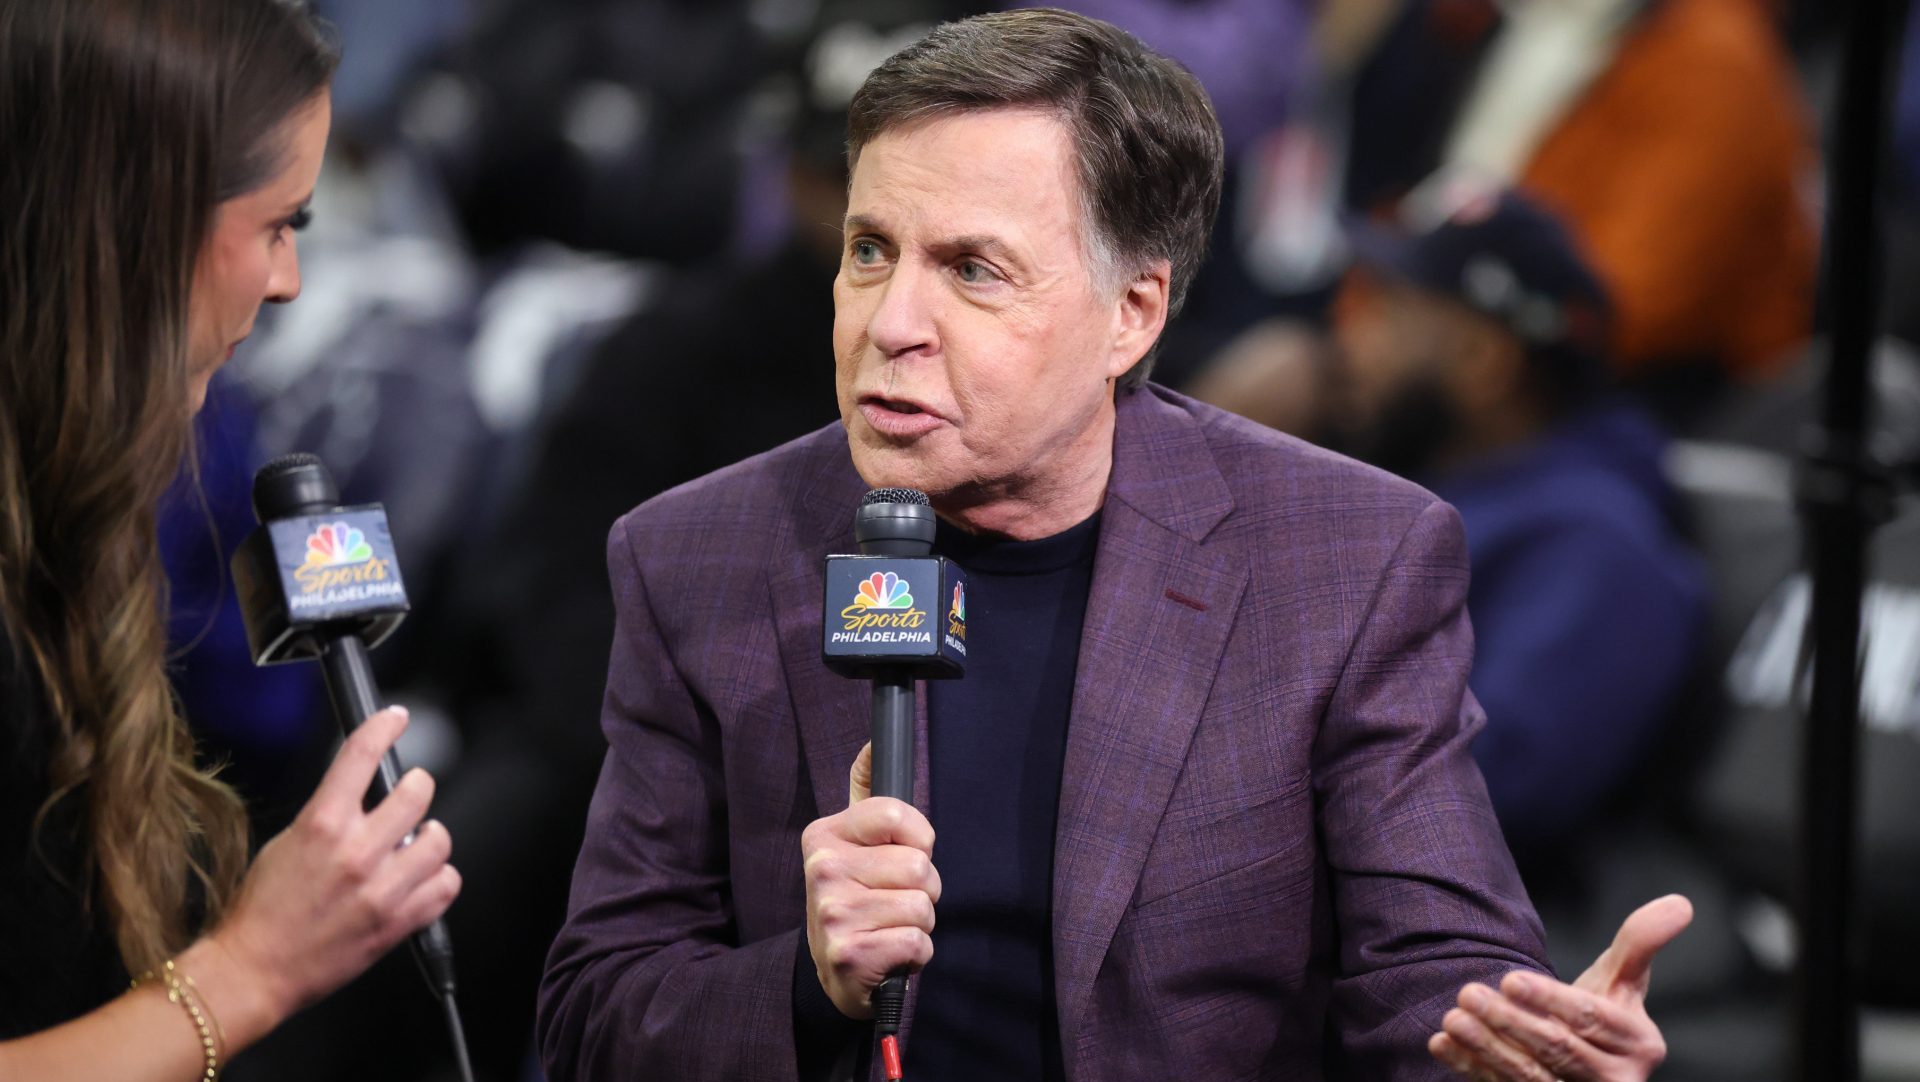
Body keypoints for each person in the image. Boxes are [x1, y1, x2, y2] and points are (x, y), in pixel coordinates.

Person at [536, 10, 1691, 1081]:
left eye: (972, 270)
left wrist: (1514, 1052)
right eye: (871, 249)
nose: (889, 324)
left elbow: (1432, 968)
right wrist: (807, 981)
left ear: (1132, 312)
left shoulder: (1345, 560)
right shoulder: (697, 555)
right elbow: (593, 1014)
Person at [0, 1, 460, 1077]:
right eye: (279, 222)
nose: (290, 278)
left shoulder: (73, 502)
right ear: (136, 224)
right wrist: (252, 966)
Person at [1328, 187, 1710, 858]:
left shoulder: (1597, 547)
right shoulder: (1427, 491)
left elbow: (1476, 794)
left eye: (1389, 311)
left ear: (1483, 360)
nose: (1353, 338)